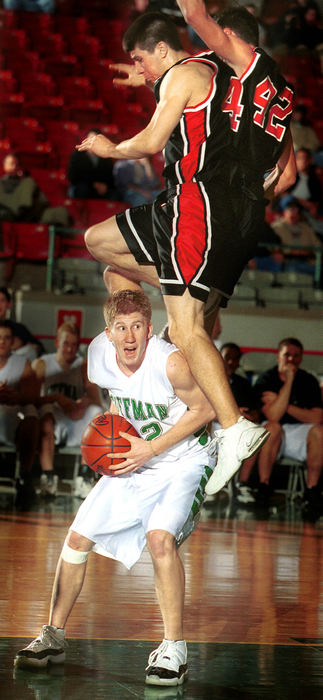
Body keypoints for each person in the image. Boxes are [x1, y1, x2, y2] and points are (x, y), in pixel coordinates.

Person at [78, 11, 271, 497]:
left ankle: (233, 426)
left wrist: (108, 147)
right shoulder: (211, 71)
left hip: (194, 207)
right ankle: (169, 322)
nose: (138, 68)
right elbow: (190, 103)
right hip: (188, 206)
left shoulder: (186, 72)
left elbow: (150, 141)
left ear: (162, 49)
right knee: (101, 247)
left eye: (140, 59)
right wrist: (146, 81)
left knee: (186, 326)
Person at [14, 289, 216, 685]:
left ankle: (174, 646)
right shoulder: (99, 356)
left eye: (137, 327)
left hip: (183, 461)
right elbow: (118, 403)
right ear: (108, 333)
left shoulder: (170, 362)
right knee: (76, 539)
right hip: (133, 458)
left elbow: (206, 409)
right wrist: (110, 446)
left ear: (150, 328)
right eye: (120, 328)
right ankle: (53, 634)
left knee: (160, 539)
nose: (129, 337)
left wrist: (151, 449)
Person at [251, 337, 323, 511]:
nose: (291, 359)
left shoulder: (309, 380)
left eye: (296, 356)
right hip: (272, 433)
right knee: (272, 427)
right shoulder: (267, 378)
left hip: (299, 431)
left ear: (301, 358)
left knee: (319, 432)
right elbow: (274, 415)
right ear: (278, 356)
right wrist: (289, 381)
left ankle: (312, 491)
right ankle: (263, 486)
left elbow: (317, 417)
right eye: (287, 355)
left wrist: (283, 404)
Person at [32, 322, 102, 498]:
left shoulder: (83, 365)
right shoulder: (42, 364)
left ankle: (84, 477)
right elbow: (30, 399)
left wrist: (83, 403)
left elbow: (97, 400)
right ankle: (48, 478)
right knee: (46, 415)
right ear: (56, 343)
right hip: (52, 418)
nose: (70, 349)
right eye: (66, 344)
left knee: (96, 413)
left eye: (74, 345)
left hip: (73, 419)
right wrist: (57, 398)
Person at [211, 342, 261, 505]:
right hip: (214, 424)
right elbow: (201, 409)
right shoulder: (209, 379)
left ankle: (242, 485)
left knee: (255, 434)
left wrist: (247, 415)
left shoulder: (243, 383)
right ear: (220, 358)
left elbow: (256, 412)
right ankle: (209, 484)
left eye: (235, 359)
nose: (231, 362)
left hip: (238, 426)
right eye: (227, 358)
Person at [0, 320, 39, 508]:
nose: (2, 342)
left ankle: (25, 475)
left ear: (13, 341)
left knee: (31, 420)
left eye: (6, 338)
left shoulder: (22, 363)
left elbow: (31, 395)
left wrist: (14, 395)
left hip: (13, 414)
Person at [0, 153, 69, 227]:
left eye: (16, 164)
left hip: (29, 214)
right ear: (4, 165)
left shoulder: (27, 181)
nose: (14, 167)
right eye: (12, 163)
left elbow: (41, 201)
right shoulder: (1, 183)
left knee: (61, 213)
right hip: (9, 213)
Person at [272, 199, 322, 275]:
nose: (293, 213)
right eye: (290, 210)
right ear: (284, 212)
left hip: (308, 261)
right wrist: (288, 251)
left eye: (296, 210)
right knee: (292, 269)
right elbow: (272, 247)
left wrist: (311, 252)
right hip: (287, 262)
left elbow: (318, 245)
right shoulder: (277, 227)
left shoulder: (306, 228)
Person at [67, 129, 117, 200]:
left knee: (114, 194)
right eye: (90, 139)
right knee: (83, 190)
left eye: (95, 141)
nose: (92, 143)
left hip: (101, 188)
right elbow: (73, 176)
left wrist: (105, 186)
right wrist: (94, 184)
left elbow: (110, 176)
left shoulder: (106, 156)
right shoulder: (77, 155)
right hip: (83, 186)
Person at [0, 286, 44, 358]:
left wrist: (33, 348)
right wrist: (9, 347)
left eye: (2, 300)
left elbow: (38, 347)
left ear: (9, 304)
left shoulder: (18, 328)